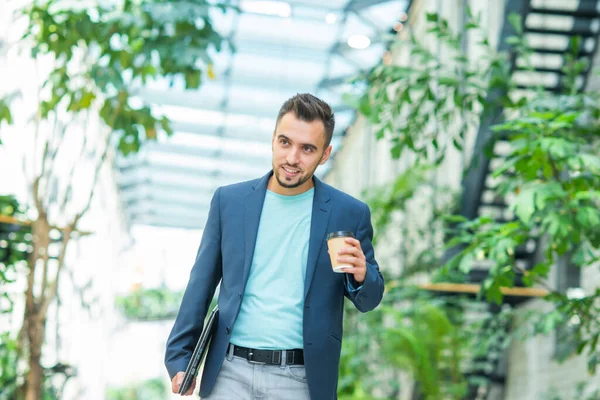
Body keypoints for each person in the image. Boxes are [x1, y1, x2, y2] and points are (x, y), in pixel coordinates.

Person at [165, 93, 384, 400]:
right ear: (273, 140)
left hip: (299, 380)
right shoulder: (230, 202)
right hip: (229, 373)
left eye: (307, 148)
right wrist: (179, 357)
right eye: (285, 142)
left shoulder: (348, 213)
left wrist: (362, 275)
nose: (292, 158)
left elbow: (369, 300)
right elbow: (200, 284)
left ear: (325, 154)